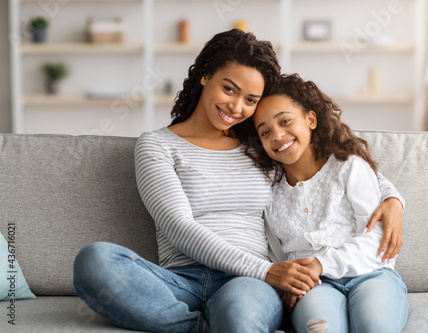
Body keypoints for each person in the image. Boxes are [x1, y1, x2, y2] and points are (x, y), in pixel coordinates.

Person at [73, 29, 404, 333]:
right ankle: (197, 327)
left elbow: (330, 163)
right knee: (94, 261)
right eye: (229, 88)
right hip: (181, 281)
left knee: (239, 314)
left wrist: (392, 198)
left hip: (247, 282)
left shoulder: (260, 145)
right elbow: (178, 227)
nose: (235, 106)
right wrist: (268, 272)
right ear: (205, 75)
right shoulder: (157, 145)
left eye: (250, 100)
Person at [249, 73, 409, 333]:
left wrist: (320, 264)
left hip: (371, 274)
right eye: (265, 131)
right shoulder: (269, 196)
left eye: (285, 121)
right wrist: (287, 286)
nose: (277, 135)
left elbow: (376, 242)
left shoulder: (349, 167)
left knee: (374, 326)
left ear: (310, 120)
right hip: (315, 286)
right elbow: (278, 258)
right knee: (322, 329)